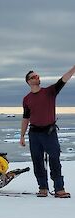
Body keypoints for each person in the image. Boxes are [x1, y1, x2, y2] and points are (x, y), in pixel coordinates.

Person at [20, 66, 75, 198]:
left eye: (38, 76)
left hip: (49, 132)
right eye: (33, 77)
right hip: (34, 134)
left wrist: (73, 68)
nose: (37, 78)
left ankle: (59, 189)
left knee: (55, 159)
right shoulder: (27, 99)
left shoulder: (50, 91)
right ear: (28, 81)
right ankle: (42, 188)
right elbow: (26, 118)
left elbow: (63, 80)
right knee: (37, 161)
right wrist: (21, 136)